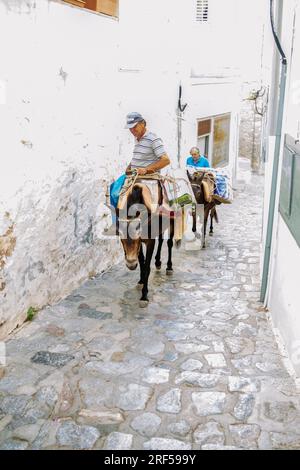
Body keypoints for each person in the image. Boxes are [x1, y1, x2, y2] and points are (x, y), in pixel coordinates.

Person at [104, 112, 170, 235]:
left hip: (148, 177)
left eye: (135, 126)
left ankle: (155, 226)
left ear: (143, 123)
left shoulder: (153, 139)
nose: (132, 130)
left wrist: (146, 169)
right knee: (113, 190)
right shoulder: (137, 139)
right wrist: (130, 166)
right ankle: (118, 223)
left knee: (151, 205)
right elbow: (139, 157)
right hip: (134, 175)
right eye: (130, 128)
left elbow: (165, 160)